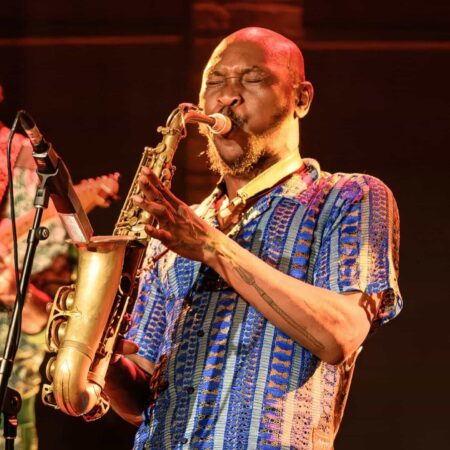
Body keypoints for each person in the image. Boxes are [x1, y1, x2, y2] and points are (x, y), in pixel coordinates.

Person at [105, 27, 402, 449]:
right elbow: (141, 400)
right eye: (215, 81)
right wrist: (101, 359)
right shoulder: (176, 229)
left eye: (252, 78)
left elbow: (339, 336)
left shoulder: (350, 196)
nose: (227, 96)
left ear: (301, 98)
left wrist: (212, 247)